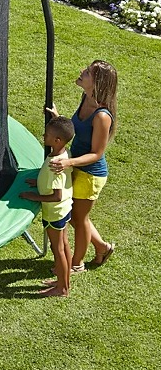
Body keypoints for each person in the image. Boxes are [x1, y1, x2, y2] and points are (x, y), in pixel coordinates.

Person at [47, 60, 118, 273]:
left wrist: (67, 162)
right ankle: (102, 247)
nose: (81, 72)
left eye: (87, 72)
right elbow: (77, 129)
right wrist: (59, 119)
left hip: (90, 174)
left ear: (97, 83)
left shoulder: (102, 116)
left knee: (79, 219)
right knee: (76, 217)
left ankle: (76, 264)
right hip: (77, 166)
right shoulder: (85, 98)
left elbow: (96, 154)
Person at [20, 117, 75, 297]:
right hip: (65, 208)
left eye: (47, 134)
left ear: (57, 140)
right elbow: (50, 182)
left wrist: (33, 196)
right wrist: (37, 182)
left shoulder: (54, 165)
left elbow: (56, 195)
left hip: (55, 213)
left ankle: (62, 289)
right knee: (63, 245)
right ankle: (63, 279)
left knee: (57, 249)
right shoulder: (61, 155)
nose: (44, 135)